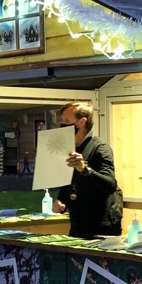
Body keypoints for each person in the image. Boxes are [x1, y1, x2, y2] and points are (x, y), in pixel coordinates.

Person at [51, 102, 122, 238]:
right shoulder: (70, 148)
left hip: (101, 226)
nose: (62, 125)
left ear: (81, 122)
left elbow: (110, 185)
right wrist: (62, 201)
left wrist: (84, 169)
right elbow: (70, 182)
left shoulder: (100, 148)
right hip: (78, 223)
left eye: (67, 121)